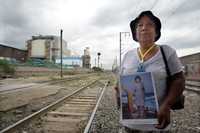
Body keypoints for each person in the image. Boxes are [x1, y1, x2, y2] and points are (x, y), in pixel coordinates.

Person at [114, 10, 185, 132]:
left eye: (150, 24)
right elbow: (120, 82)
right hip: (130, 125)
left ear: (156, 32)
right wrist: (118, 92)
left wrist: (167, 105)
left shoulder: (167, 52)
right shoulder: (128, 56)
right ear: (135, 34)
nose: (144, 28)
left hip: (158, 124)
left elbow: (179, 79)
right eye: (140, 25)